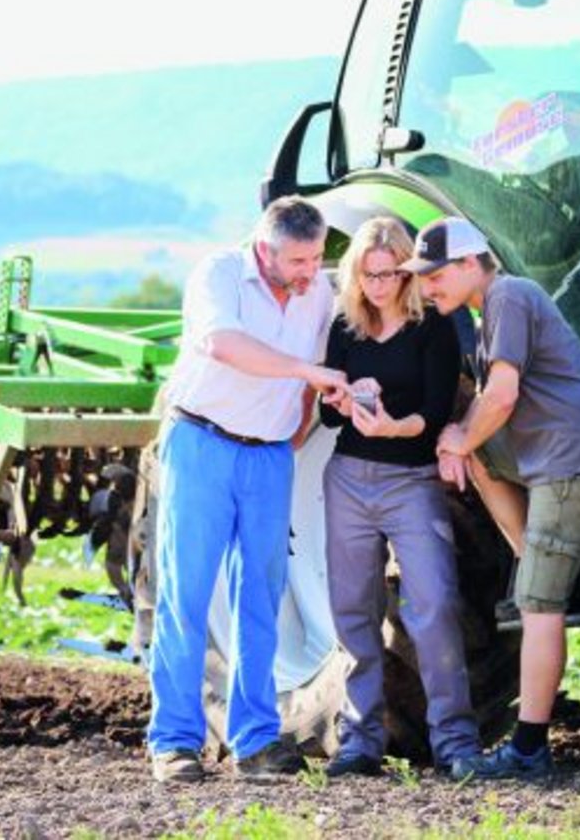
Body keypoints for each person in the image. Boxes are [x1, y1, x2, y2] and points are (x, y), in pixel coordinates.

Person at [405, 215, 580, 780]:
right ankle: (528, 555)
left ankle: (529, 750)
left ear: (469, 263)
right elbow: (489, 414)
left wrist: (459, 438)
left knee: (538, 607)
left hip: (572, 463)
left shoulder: (508, 295)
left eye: (435, 275)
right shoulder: (491, 311)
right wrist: (462, 442)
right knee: (472, 446)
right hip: (563, 458)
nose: (426, 287)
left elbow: (502, 396)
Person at [147, 195, 348, 784]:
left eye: (316, 257)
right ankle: (174, 742)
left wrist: (296, 426)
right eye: (298, 260)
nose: (310, 271)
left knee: (262, 595)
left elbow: (312, 373)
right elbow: (222, 344)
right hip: (202, 442)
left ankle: (256, 739)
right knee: (187, 594)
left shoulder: (317, 292)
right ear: (265, 249)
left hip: (268, 456)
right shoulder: (220, 275)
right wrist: (307, 374)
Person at [317, 216, 483, 779]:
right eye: (368, 275)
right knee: (352, 609)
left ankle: (455, 741)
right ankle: (359, 739)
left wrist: (392, 427)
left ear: (407, 272)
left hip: (411, 480)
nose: (378, 286)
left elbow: (434, 413)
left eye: (389, 274)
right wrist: (342, 401)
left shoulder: (433, 327)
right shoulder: (345, 327)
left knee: (434, 605)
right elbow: (326, 415)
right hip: (348, 479)